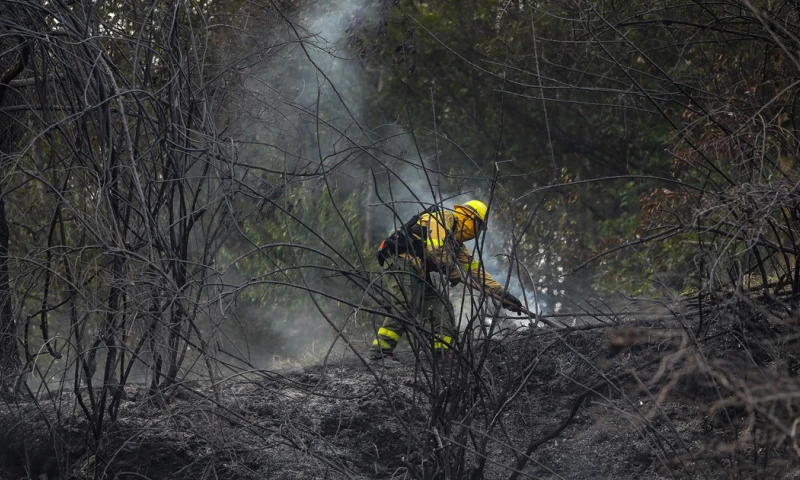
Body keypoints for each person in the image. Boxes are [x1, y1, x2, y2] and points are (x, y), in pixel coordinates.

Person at [370, 200, 524, 368]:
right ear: (472, 219)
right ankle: (380, 353)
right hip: (401, 261)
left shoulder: (456, 244)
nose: (480, 232)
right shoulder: (444, 218)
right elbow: (436, 251)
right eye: (481, 226)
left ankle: (441, 356)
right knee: (407, 302)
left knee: (442, 309)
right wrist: (453, 273)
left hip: (418, 270)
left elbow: (476, 271)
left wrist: (503, 295)